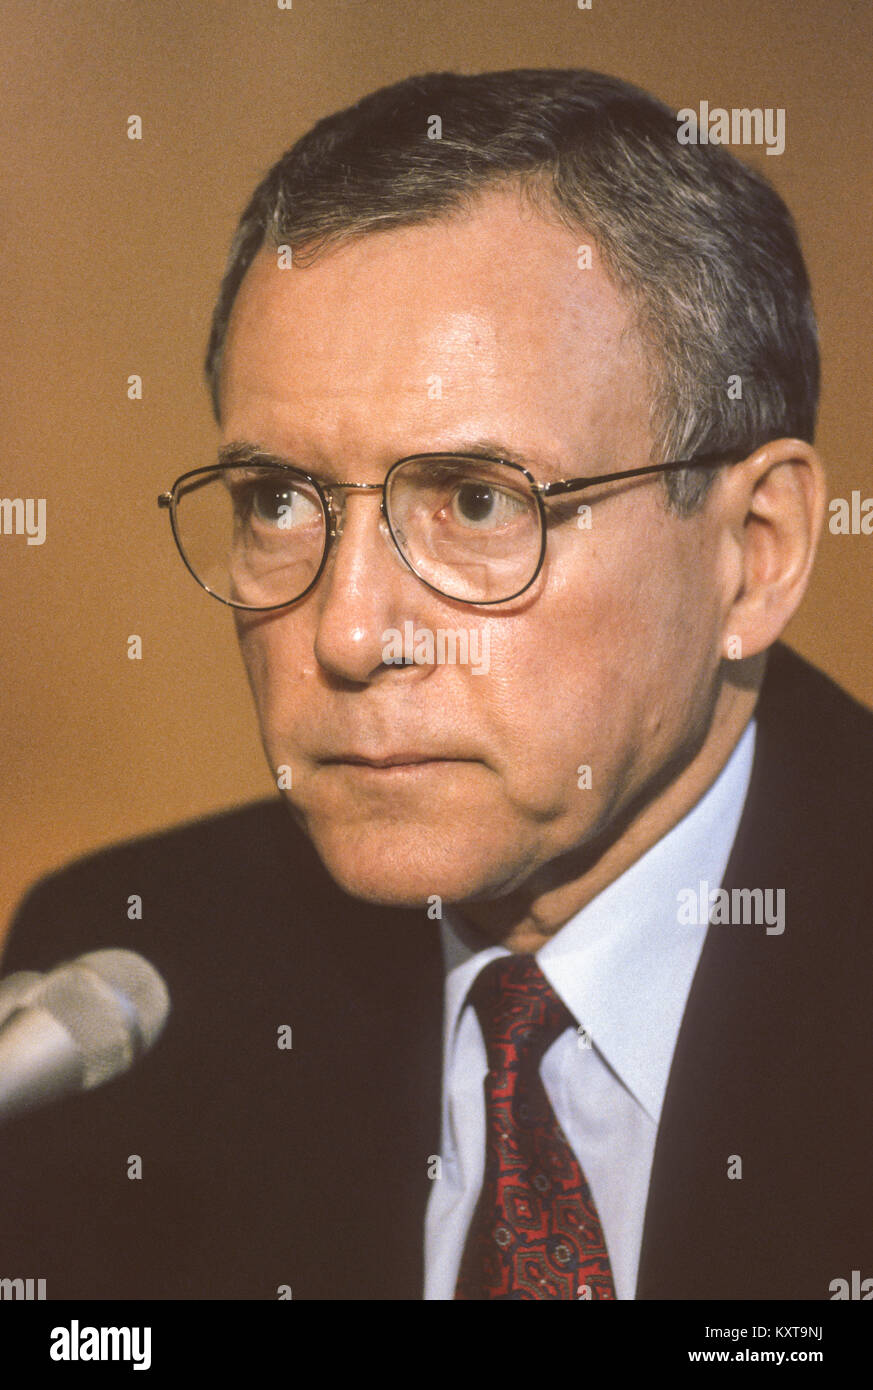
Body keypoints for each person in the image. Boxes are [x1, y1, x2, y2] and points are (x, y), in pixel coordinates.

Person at [1, 68, 871, 1301]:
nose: (348, 632)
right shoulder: (132, 985)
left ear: (755, 553)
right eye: (280, 503)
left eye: (477, 502)